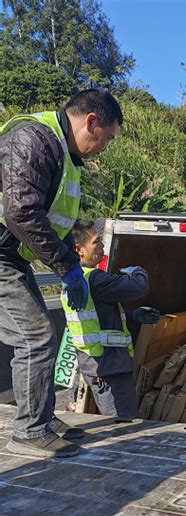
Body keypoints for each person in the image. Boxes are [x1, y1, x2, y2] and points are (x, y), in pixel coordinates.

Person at [0, 89, 123, 457]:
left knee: (42, 335)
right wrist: (67, 266)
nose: (105, 146)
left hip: (12, 258)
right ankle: (29, 432)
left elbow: (57, 221)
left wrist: (69, 257)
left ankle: (39, 417)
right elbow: (20, 213)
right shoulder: (34, 139)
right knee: (35, 337)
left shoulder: (64, 155)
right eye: (108, 137)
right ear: (92, 122)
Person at [62, 219, 160, 420]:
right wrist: (138, 271)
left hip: (97, 363)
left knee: (120, 419)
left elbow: (99, 318)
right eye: (97, 242)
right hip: (108, 366)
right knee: (123, 423)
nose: (103, 246)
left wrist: (134, 316)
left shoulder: (75, 281)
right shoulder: (94, 279)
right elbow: (138, 287)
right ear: (79, 250)